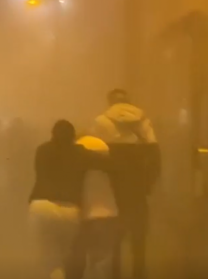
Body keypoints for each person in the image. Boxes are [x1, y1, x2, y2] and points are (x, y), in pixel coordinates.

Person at [91, 89, 161, 279]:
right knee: (139, 243)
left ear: (110, 102)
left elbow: (97, 159)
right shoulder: (143, 121)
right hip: (138, 190)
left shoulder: (101, 122)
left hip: (115, 189)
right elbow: (155, 156)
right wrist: (148, 185)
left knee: (114, 242)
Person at [28, 120, 109, 279]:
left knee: (50, 258)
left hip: (40, 206)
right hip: (69, 209)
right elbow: (107, 163)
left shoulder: (42, 150)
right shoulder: (80, 152)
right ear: (73, 137)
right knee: (67, 257)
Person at [70, 135, 121, 279]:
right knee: (102, 264)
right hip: (109, 216)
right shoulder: (110, 172)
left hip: (86, 218)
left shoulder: (77, 174)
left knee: (81, 261)